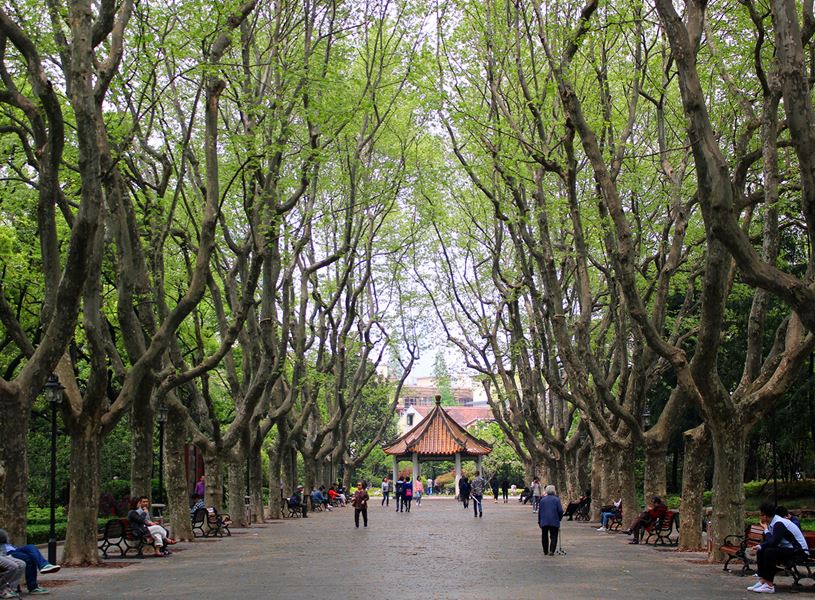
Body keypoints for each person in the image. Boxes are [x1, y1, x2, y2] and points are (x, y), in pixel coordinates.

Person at [748, 502, 809, 594]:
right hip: (789, 550)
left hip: (799, 552)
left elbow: (773, 542)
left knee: (769, 552)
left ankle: (769, 585)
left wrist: (766, 530)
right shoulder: (773, 523)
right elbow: (771, 540)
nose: (759, 517)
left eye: (760, 515)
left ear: (765, 516)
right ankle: (763, 580)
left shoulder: (779, 523)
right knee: (762, 550)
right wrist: (760, 546)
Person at [0, 529, 58, 596]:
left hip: (15, 549)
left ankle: (44, 565)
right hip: (7, 553)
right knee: (28, 558)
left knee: (31, 546)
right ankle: (33, 587)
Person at [538, 485, 564, 555]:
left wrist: (539, 521)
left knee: (544, 536)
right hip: (554, 520)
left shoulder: (542, 500)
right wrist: (559, 518)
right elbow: (560, 511)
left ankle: (545, 550)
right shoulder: (556, 499)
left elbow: (540, 511)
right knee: (554, 535)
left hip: (544, 520)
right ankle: (552, 550)